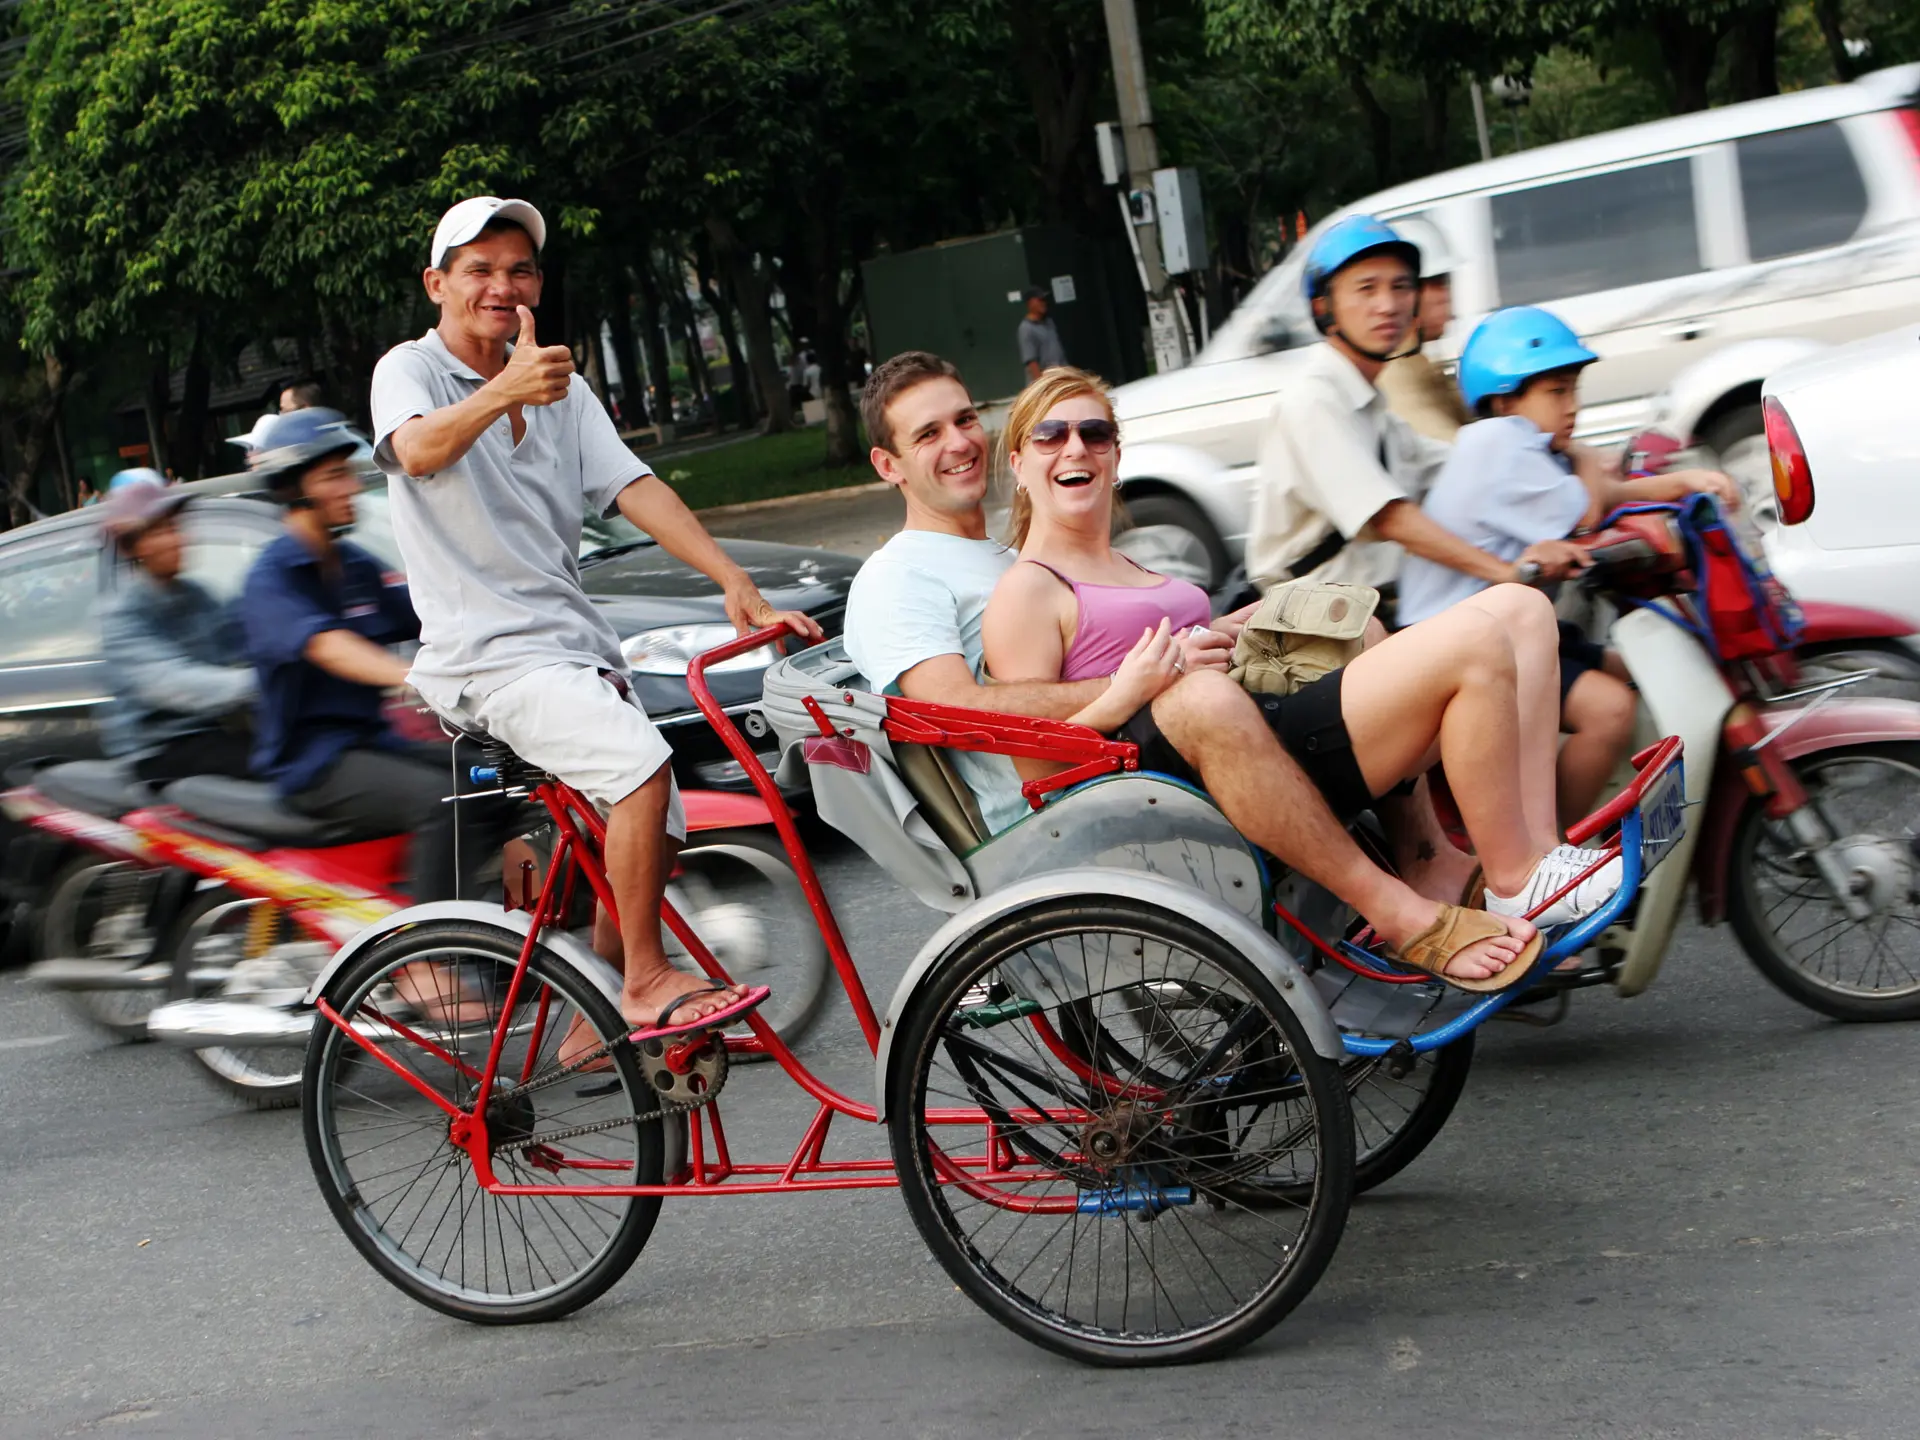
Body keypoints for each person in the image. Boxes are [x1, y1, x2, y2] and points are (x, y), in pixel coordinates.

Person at [845, 351, 1577, 992]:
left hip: (1185, 730)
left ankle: (1453, 858)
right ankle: (1468, 889)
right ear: (890, 464)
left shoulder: (1018, 553)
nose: (957, 442)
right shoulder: (906, 577)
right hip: (1101, 796)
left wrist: (1216, 632)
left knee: (1398, 620)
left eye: (963, 419)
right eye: (927, 433)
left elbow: (1111, 638)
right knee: (1443, 646)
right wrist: (1136, 682)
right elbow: (954, 709)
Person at [370, 194, 820, 1033]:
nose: (502, 287)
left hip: (573, 648)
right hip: (489, 660)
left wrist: (731, 577)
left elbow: (632, 485)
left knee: (665, 821)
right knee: (640, 771)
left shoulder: (560, 389)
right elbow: (418, 449)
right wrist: (504, 387)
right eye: (480, 271)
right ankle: (647, 979)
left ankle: (596, 1025)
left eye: (520, 270)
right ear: (438, 284)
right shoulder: (411, 369)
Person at [1397, 306, 1739, 823]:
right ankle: (1552, 852)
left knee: (1643, 671)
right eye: (1556, 393)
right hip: (1456, 642)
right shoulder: (1496, 445)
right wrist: (1583, 457)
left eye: (1573, 390)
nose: (1572, 406)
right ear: (1506, 398)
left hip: (1504, 628)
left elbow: (1607, 492)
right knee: (1609, 710)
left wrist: (1686, 484)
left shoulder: (1523, 447)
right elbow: (1587, 507)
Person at [1247, 214, 1604, 596]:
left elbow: (1467, 464)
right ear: (1324, 308)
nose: (1387, 305)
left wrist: (1577, 457)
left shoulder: (1374, 407)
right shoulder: (1314, 401)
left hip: (1375, 602)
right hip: (1317, 619)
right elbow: (1391, 519)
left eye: (1400, 287)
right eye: (1366, 289)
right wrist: (1506, 573)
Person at [239, 408, 503, 907]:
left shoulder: (355, 566)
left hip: (372, 743)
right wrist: (413, 678)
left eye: (348, 474)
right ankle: (431, 957)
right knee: (444, 800)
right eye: (333, 477)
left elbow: (429, 614)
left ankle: (505, 914)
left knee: (491, 772)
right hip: (315, 766)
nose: (351, 488)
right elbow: (328, 647)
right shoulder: (271, 580)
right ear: (296, 489)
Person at [97, 476, 256, 786]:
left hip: (212, 735)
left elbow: (240, 644)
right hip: (160, 752)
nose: (176, 539)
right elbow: (172, 683)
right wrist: (261, 680)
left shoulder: (199, 596)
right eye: (160, 531)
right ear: (134, 547)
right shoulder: (122, 615)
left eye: (175, 527)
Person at [1376, 215, 1471, 443]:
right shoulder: (1397, 378)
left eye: (1445, 281)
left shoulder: (1420, 365)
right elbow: (1454, 452)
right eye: (1435, 283)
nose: (1445, 295)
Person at [1017, 287, 1067, 382]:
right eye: (1040, 300)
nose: (1043, 303)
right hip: (1045, 382)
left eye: (1044, 300)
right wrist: (1042, 386)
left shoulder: (1049, 322)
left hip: (1059, 377)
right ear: (1030, 303)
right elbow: (1031, 362)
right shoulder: (1026, 329)